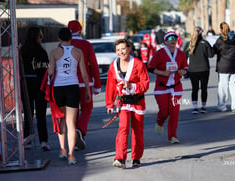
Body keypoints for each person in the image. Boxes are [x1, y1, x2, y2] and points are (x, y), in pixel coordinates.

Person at [48, 28, 91, 164]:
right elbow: (84, 73)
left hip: (58, 88)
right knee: (71, 123)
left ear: (59, 39)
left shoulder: (54, 52)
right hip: (73, 87)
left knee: (61, 120)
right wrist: (88, 90)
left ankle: (62, 150)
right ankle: (72, 155)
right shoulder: (78, 52)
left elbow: (50, 71)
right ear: (71, 38)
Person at [105, 39, 149, 168]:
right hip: (123, 102)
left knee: (137, 131)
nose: (121, 52)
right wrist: (109, 103)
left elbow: (145, 84)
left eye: (123, 49)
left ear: (129, 48)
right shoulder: (113, 66)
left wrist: (130, 85)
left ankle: (136, 158)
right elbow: (110, 86)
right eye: (118, 50)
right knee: (123, 128)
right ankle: (120, 158)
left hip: (138, 101)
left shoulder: (138, 64)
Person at [147, 31, 188, 144]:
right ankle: (160, 122)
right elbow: (150, 68)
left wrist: (182, 71)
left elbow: (186, 68)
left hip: (176, 88)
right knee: (164, 111)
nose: (173, 41)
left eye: (174, 39)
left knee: (174, 112)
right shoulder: (159, 53)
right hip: (161, 87)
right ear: (165, 42)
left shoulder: (180, 54)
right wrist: (162, 73)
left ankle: (172, 136)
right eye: (170, 39)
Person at [67, 20, 101, 151]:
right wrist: (97, 85)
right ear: (80, 31)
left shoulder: (63, 45)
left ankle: (74, 137)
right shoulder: (86, 44)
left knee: (72, 111)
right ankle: (80, 130)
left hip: (68, 83)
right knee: (87, 108)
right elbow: (93, 65)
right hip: (84, 83)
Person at [20, 27, 50, 151]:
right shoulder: (41, 52)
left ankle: (27, 139)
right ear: (37, 37)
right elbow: (46, 70)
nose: (42, 39)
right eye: (40, 36)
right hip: (39, 85)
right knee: (41, 114)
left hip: (25, 84)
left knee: (28, 114)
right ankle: (43, 141)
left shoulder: (22, 50)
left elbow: (18, 68)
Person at [213, 22, 235, 112]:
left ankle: (222, 106)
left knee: (223, 87)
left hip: (223, 66)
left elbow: (213, 51)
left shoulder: (220, 41)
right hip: (234, 65)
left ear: (221, 30)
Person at [187, 26, 214, 114]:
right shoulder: (205, 43)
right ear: (201, 33)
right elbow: (211, 55)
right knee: (204, 88)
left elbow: (183, 56)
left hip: (192, 70)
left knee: (194, 89)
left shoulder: (189, 44)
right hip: (204, 69)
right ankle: (203, 107)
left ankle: (195, 108)